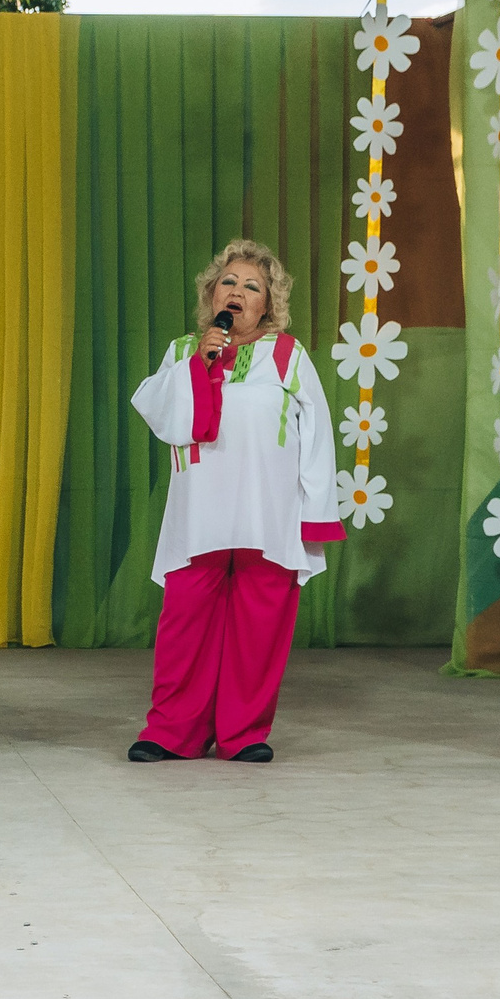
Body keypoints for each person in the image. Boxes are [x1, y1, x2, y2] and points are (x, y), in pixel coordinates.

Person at [126, 239, 341, 764]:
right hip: (199, 512)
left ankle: (244, 733)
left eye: (252, 286)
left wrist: (315, 515)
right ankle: (172, 731)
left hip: (268, 514)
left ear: (268, 304)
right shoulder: (183, 351)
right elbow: (157, 412)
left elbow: (317, 438)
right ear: (210, 293)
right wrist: (198, 362)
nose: (238, 291)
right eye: (229, 282)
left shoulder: (288, 355)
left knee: (259, 628)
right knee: (184, 624)